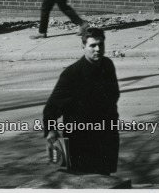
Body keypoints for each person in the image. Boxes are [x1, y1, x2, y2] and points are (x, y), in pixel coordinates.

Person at [43, 26, 121, 175]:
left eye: (101, 44)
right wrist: (51, 131)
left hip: (105, 136)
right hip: (80, 141)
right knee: (82, 181)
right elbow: (51, 107)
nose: (98, 49)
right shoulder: (72, 74)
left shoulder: (107, 65)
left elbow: (114, 95)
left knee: (105, 179)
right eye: (93, 45)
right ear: (83, 46)